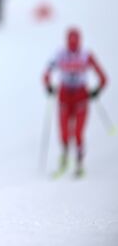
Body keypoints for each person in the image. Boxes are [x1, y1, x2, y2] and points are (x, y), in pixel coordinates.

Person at [43, 27, 107, 178]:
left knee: (78, 132)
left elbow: (103, 77)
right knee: (64, 131)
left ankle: (79, 163)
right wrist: (48, 86)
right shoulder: (59, 54)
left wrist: (97, 90)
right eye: (70, 41)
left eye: (75, 41)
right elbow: (46, 72)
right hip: (64, 97)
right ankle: (64, 157)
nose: (73, 45)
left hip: (80, 97)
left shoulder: (86, 55)